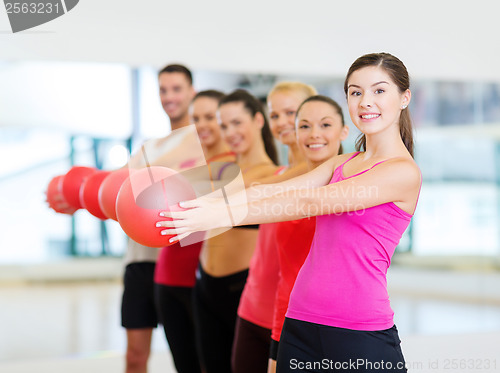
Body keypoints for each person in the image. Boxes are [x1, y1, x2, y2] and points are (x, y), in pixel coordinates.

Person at [157, 52, 421, 373]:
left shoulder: (403, 172)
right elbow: (278, 188)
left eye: (379, 91)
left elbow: (312, 202)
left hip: (360, 329)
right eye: (355, 92)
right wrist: (204, 206)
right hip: (299, 321)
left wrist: (222, 217)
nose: (366, 101)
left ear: (404, 98)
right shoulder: (341, 163)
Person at [232, 82, 317, 373]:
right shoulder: (277, 174)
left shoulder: (323, 175)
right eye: (275, 115)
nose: (281, 122)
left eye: (290, 112)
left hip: (292, 315)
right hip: (252, 306)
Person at [192, 89, 278, 373]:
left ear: (258, 120)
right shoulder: (219, 171)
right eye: (224, 125)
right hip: (205, 285)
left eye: (237, 122)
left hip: (240, 288)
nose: (229, 132)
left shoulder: (274, 174)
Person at [121, 63, 196, 373]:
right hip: (139, 259)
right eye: (163, 90)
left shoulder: (205, 142)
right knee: (135, 357)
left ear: (192, 91)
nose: (169, 97)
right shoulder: (147, 148)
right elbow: (118, 194)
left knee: (189, 357)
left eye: (177, 89)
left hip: (180, 263)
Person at [153, 89, 234, 373]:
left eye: (210, 117)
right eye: (195, 118)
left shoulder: (235, 166)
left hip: (206, 281)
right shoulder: (183, 163)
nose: (202, 125)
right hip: (168, 275)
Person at [268, 95, 348, 373]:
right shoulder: (286, 184)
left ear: (344, 131)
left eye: (325, 125)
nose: (314, 134)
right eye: (304, 126)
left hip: (341, 322)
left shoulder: (359, 186)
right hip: (288, 316)